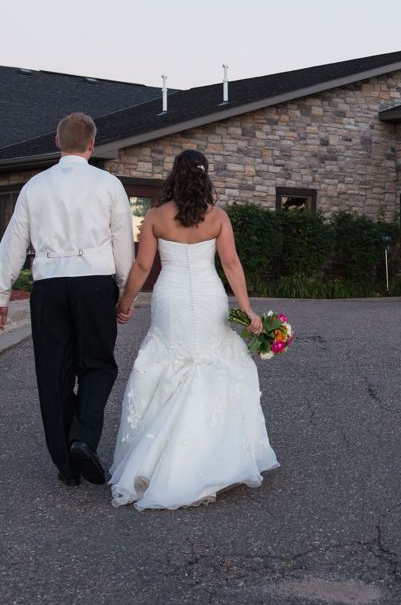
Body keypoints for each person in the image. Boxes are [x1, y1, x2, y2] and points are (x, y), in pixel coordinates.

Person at [109, 149, 280, 510]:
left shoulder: (156, 217)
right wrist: (246, 308)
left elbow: (142, 268)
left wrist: (124, 305)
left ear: (174, 176)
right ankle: (210, 456)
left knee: (170, 363)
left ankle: (159, 463)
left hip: (170, 297)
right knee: (211, 362)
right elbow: (231, 264)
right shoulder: (217, 217)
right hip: (207, 297)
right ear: (205, 178)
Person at [0, 112, 134, 488]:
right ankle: (83, 437)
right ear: (91, 145)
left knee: (53, 374)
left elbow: (14, 242)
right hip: (96, 285)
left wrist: (0, 295)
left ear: (57, 142)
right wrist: (125, 291)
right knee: (98, 366)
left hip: (50, 286)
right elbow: (122, 242)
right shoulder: (108, 184)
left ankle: (67, 466)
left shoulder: (35, 186)